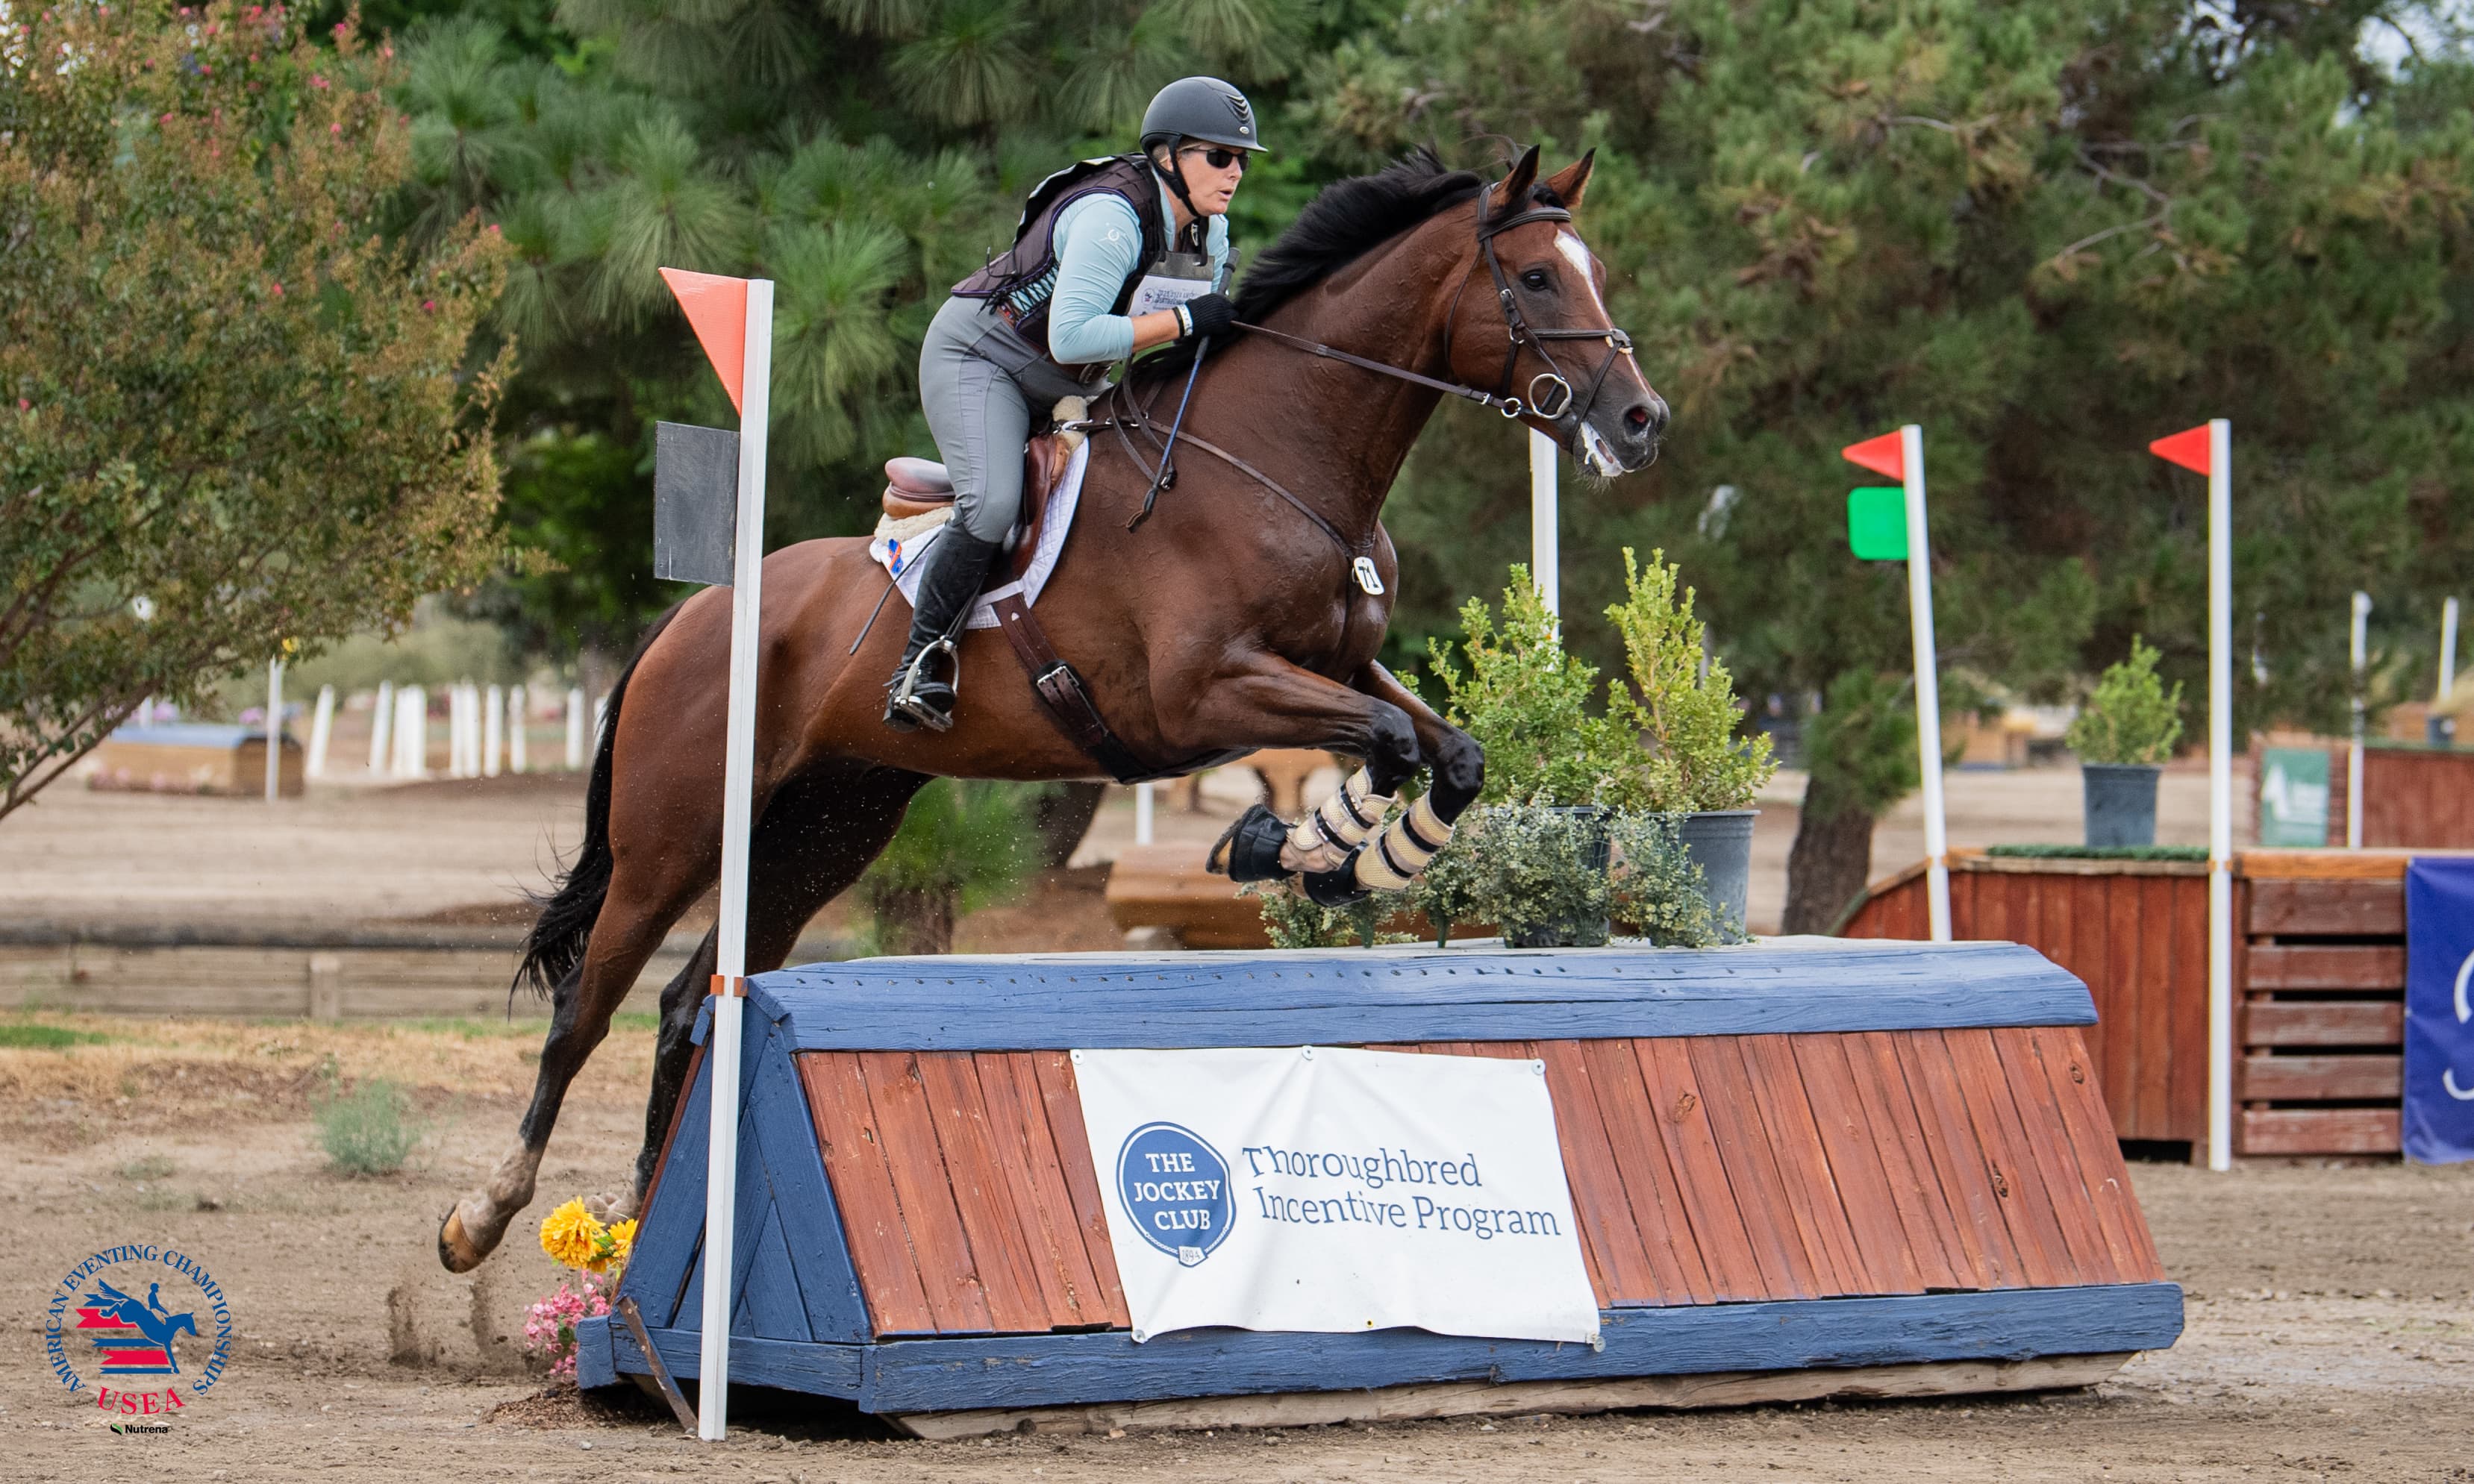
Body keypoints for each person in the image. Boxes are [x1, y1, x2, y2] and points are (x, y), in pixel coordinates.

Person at [884, 76, 1264, 732]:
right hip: (983, 361)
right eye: (1218, 155)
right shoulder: (1112, 217)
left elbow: (1177, 336)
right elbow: (1073, 334)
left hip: (1073, 384)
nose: (1234, 172)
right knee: (994, 503)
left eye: (1242, 160)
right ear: (1169, 155)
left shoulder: (1211, 234)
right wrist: (1183, 322)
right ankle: (918, 664)